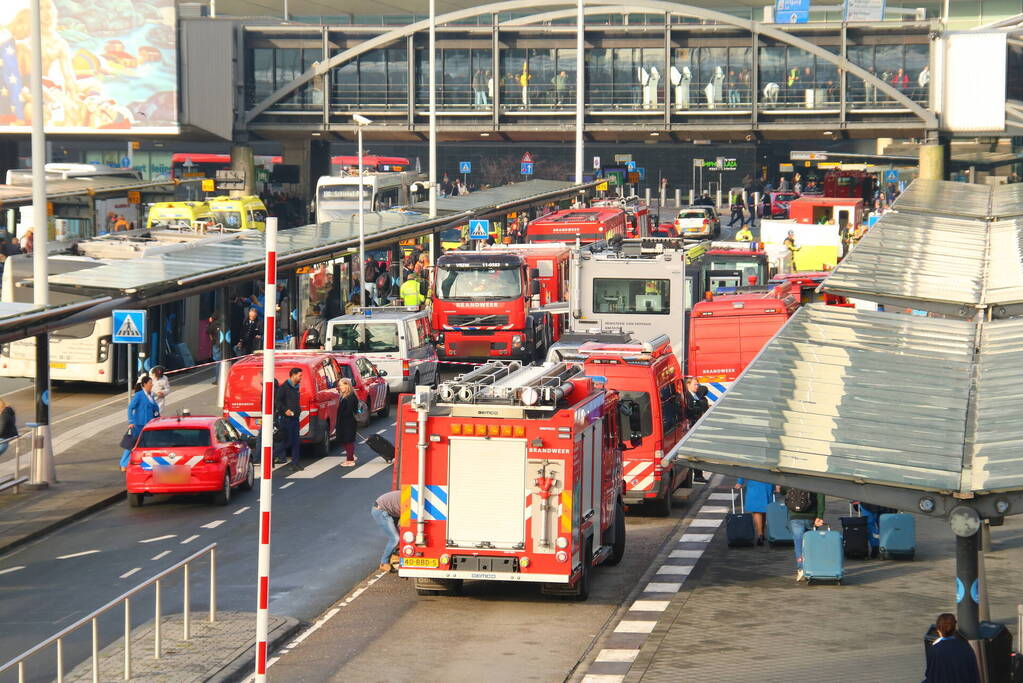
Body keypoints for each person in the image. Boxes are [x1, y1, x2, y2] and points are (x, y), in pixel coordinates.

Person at [923, 613, 980, 683]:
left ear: (938, 629)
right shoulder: (965, 646)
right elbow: (973, 673)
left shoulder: (935, 650)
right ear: (954, 629)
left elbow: (931, 676)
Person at [786, 486, 825, 582]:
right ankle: (812, 568)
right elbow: (821, 496)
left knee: (798, 544)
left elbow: (783, 489)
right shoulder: (814, 476)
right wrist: (820, 515)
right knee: (811, 544)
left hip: (795, 516)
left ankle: (801, 569)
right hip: (811, 517)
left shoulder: (791, 475)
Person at [120, 376, 159, 469]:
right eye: (150, 383)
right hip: (138, 424)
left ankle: (142, 462)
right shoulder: (139, 395)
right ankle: (123, 464)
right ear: (145, 384)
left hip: (149, 424)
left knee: (145, 444)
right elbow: (130, 408)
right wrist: (131, 421)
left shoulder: (151, 395)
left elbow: (154, 409)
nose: (152, 384)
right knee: (131, 444)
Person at [274, 368, 303, 471]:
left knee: (296, 442)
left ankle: (295, 463)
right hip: (286, 419)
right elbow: (277, 402)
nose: (301, 378)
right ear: (293, 375)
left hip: (295, 418)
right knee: (287, 442)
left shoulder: (296, 387)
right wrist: (285, 410)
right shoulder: (284, 387)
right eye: (299, 375)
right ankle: (272, 456)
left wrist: (299, 410)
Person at [683, 376, 709, 483]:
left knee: (698, 452)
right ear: (688, 385)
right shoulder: (687, 396)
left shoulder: (696, 395)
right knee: (694, 452)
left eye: (698, 384)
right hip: (691, 427)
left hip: (697, 426)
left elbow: (704, 390)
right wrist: (699, 408)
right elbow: (690, 410)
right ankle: (697, 475)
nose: (697, 386)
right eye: (695, 384)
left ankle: (698, 474)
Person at [734, 478, 772, 545]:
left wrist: (740, 482)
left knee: (756, 510)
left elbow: (744, 468)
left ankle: (760, 535)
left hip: (754, 482)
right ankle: (762, 533)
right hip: (767, 482)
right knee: (764, 508)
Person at [372, 490, 402, 572]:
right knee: (395, 538)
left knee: (400, 534)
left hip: (390, 511)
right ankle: (384, 563)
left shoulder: (411, 496)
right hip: (381, 511)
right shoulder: (409, 500)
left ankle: (394, 556)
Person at [337, 378, 360, 468]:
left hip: (348, 422)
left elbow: (349, 411)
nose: (340, 387)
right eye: (339, 385)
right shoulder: (344, 395)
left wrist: (341, 414)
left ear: (347, 385)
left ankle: (350, 460)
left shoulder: (350, 396)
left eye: (341, 385)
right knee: (343, 439)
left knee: (348, 440)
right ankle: (351, 456)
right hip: (344, 421)